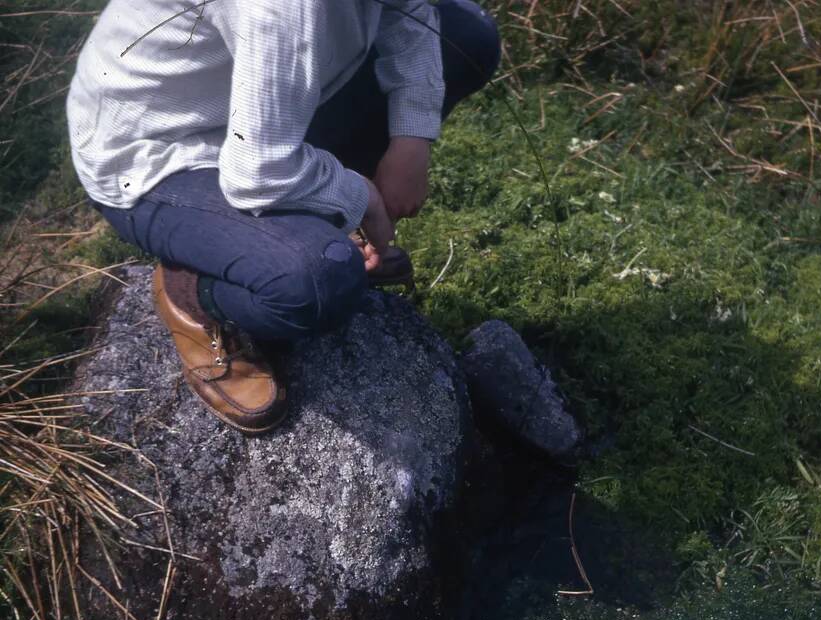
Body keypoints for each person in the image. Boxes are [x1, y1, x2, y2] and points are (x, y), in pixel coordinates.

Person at [66, 0, 500, 434]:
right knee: (318, 279)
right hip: (154, 152)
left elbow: (409, 9)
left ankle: (286, 226)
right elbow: (255, 172)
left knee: (464, 36)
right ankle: (193, 290)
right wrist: (357, 193)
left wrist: (412, 134)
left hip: (250, 107)